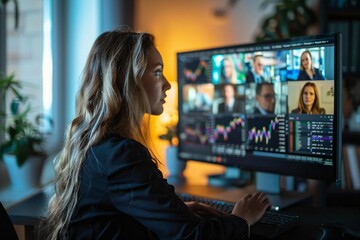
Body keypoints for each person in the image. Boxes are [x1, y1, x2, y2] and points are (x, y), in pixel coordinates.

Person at [40, 28, 271, 240]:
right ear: (128, 80)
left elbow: (111, 219)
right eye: (157, 72)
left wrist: (170, 211)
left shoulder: (97, 145)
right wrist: (241, 218)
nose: (168, 84)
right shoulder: (122, 155)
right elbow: (193, 236)